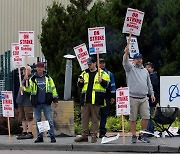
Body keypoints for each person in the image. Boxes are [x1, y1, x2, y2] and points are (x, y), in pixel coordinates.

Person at [122, 47, 155, 144]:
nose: (139, 60)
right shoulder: (130, 68)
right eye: (137, 58)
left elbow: (149, 84)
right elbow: (125, 62)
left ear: (142, 60)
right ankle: (133, 135)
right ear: (134, 60)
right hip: (133, 97)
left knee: (146, 116)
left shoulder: (145, 71)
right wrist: (126, 53)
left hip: (144, 97)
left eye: (140, 58)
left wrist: (152, 93)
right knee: (133, 118)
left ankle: (142, 134)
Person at [74, 57, 110, 143]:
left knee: (95, 119)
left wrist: (102, 81)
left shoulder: (102, 73)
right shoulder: (84, 73)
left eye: (90, 64)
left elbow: (107, 85)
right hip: (86, 99)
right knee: (84, 118)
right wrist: (80, 82)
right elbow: (79, 85)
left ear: (95, 64)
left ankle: (94, 135)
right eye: (88, 64)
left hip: (96, 99)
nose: (89, 66)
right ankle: (84, 135)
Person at [23, 62, 58, 143]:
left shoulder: (48, 78)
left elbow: (53, 89)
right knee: (38, 121)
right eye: (38, 67)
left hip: (46, 102)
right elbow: (29, 89)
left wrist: (55, 99)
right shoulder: (32, 78)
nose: (39, 69)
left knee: (49, 120)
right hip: (37, 103)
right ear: (36, 68)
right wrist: (25, 85)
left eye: (41, 67)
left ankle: (52, 136)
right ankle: (40, 137)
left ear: (43, 68)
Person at [99, 58, 116, 138]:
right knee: (95, 115)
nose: (102, 64)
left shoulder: (109, 74)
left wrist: (113, 97)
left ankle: (102, 132)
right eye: (100, 63)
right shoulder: (95, 73)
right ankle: (94, 132)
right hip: (96, 97)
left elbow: (112, 86)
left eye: (103, 63)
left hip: (106, 97)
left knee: (104, 115)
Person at [16, 66, 34, 140]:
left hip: (27, 102)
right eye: (23, 70)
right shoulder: (23, 79)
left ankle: (30, 132)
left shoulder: (32, 79)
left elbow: (31, 89)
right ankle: (24, 132)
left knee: (28, 117)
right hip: (21, 101)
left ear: (30, 71)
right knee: (22, 117)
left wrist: (27, 83)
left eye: (26, 70)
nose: (24, 71)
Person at [145, 62, 159, 134]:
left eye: (149, 67)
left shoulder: (153, 77)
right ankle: (149, 129)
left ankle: (150, 130)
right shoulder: (146, 76)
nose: (147, 69)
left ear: (152, 69)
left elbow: (153, 87)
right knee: (147, 114)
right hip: (147, 99)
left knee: (148, 114)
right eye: (146, 67)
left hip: (151, 99)